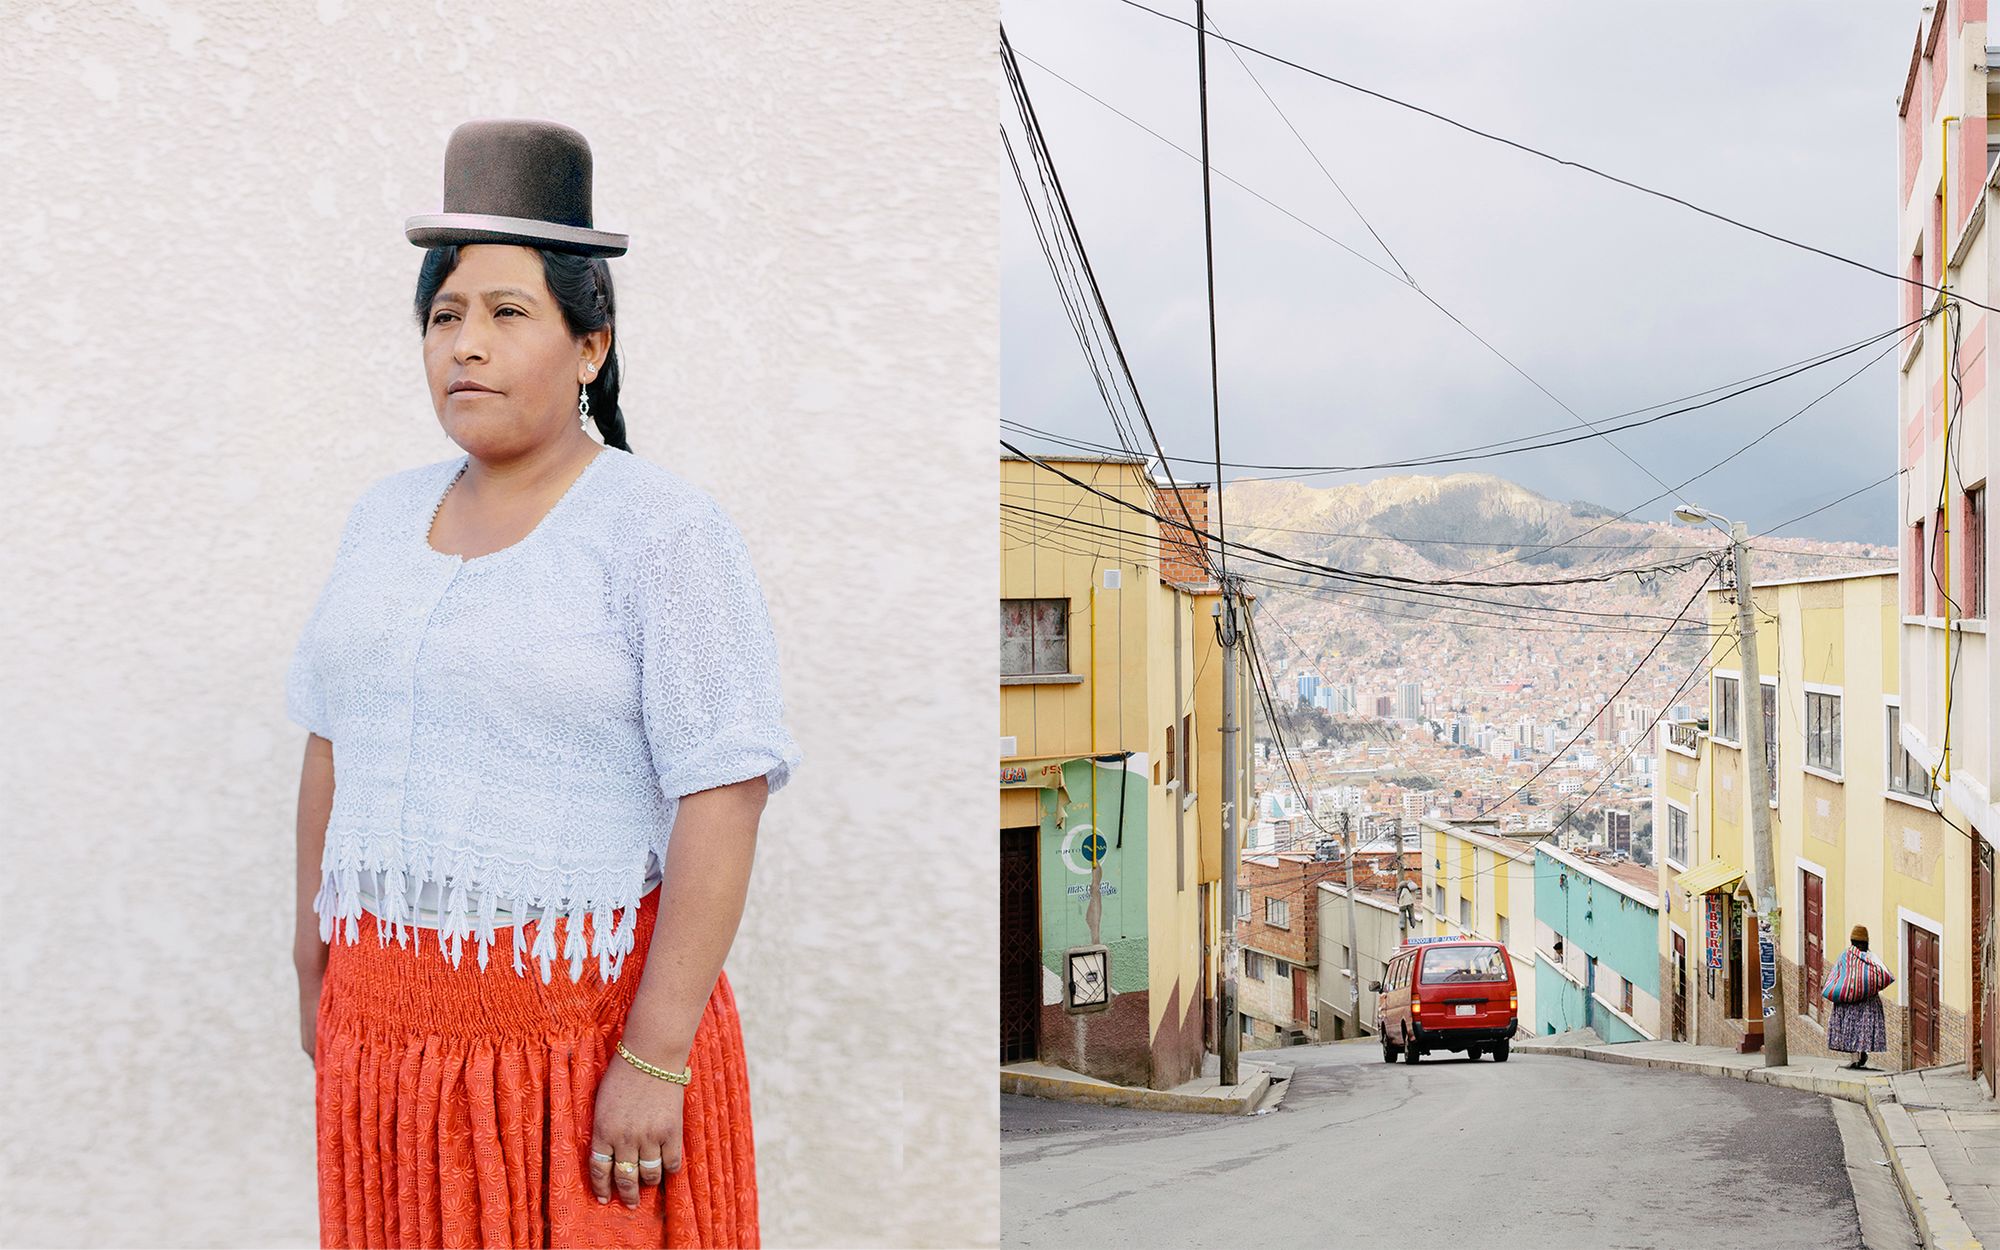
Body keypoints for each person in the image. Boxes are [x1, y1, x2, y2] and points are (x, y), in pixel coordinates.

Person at [288, 119, 801, 1249]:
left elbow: (723, 786)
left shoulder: (660, 529)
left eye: (507, 313)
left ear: (590, 345)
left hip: (581, 1043)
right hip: (387, 1038)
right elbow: (331, 736)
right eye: (443, 315)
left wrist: (654, 1058)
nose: (465, 344)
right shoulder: (379, 519)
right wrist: (309, 955)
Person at [1824, 924, 1892, 1071]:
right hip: (1868, 1002)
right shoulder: (1872, 958)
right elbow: (1884, 975)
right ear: (1866, 942)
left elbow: (1836, 975)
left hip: (1848, 1003)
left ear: (1851, 941)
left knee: (1851, 1029)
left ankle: (1855, 1059)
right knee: (1862, 1029)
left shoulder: (1845, 955)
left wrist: (1849, 989)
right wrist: (1864, 987)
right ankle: (1862, 1055)